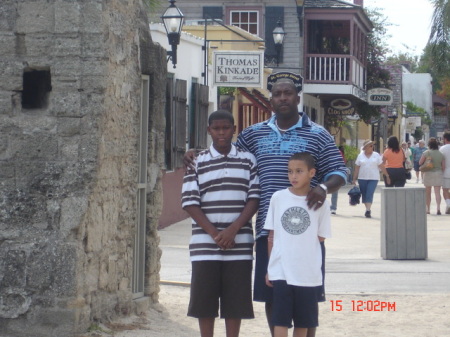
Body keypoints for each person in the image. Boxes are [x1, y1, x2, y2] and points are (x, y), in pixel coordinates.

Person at [184, 73, 347, 337]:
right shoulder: (253, 135)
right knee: (274, 294)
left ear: (297, 97)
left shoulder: (319, 135)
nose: (283, 98)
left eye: (288, 93)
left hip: (306, 235)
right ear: (271, 99)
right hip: (267, 232)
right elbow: (226, 153)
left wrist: (324, 187)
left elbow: (340, 171)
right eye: (277, 94)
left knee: (307, 296)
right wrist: (195, 153)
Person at [181, 110, 260, 337]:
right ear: (209, 131)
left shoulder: (248, 160)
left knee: (235, 302)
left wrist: (233, 230)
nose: (222, 133)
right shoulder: (196, 161)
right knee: (204, 301)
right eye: (216, 128)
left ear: (234, 129)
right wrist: (216, 234)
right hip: (204, 245)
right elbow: (189, 202)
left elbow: (254, 198)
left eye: (226, 128)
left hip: (240, 244)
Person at [264, 152, 331, 337]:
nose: (293, 176)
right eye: (290, 171)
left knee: (303, 322)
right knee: (280, 320)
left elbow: (321, 237)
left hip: (307, 273)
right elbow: (271, 235)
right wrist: (270, 267)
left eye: (299, 171)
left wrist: (301, 244)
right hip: (281, 271)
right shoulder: (278, 198)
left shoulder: (321, 203)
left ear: (311, 173)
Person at [352, 140, 390, 218]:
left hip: (373, 178)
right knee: (364, 195)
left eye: (372, 146)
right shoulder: (360, 156)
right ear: (365, 148)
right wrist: (354, 179)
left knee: (370, 192)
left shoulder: (376, 155)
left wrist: (387, 175)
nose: (372, 147)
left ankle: (368, 210)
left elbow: (381, 166)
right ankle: (367, 208)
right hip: (362, 178)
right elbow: (356, 168)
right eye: (370, 146)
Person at [419, 137, 445, 215]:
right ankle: (438, 208)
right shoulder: (441, 154)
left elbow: (420, 162)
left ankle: (428, 209)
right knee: (437, 192)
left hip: (428, 173)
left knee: (428, 192)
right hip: (438, 173)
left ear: (429, 145)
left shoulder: (426, 152)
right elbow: (443, 167)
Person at [330, 146, 346, 215]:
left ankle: (333, 208)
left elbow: (342, 162)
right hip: (324, 173)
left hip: (335, 173)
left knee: (334, 191)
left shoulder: (338, 152)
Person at [439, 131, 450, 214]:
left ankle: (448, 204)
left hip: (446, 172)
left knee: (445, 190)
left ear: (445, 139)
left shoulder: (442, 148)